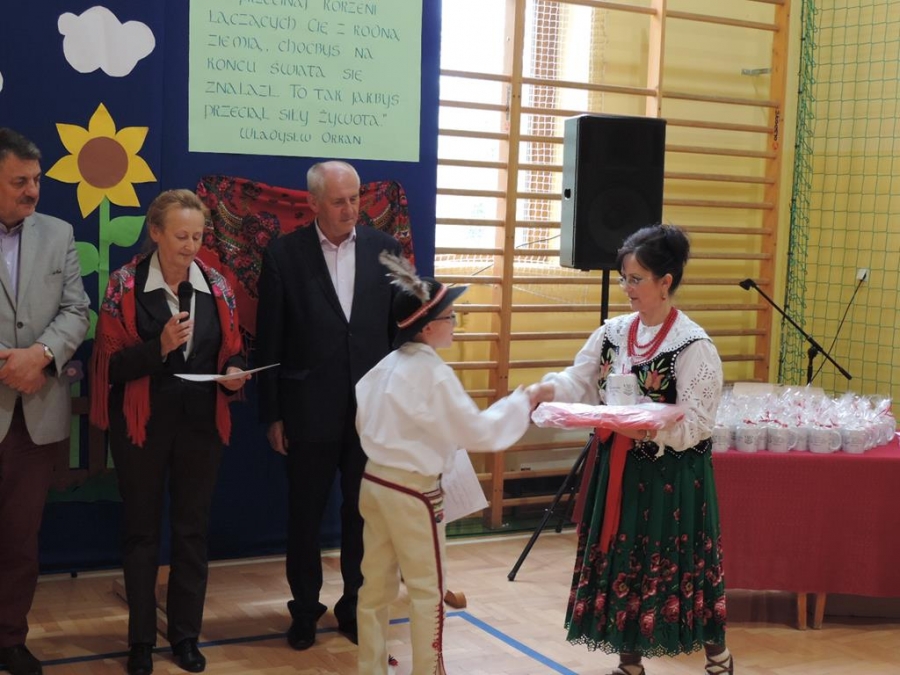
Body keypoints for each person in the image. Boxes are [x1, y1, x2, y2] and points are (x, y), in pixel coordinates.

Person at [537, 225, 732, 675]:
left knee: (678, 565)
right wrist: (545, 390)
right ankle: (629, 664)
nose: (627, 287)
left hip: (671, 477)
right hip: (619, 468)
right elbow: (578, 380)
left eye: (637, 279)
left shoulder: (693, 345)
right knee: (624, 560)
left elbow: (698, 425)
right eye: (625, 278)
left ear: (666, 282)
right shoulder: (613, 332)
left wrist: (645, 428)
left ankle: (718, 658)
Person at [355, 252, 551, 675]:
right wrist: (522, 401)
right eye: (451, 316)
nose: (456, 323)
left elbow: (364, 421)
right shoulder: (433, 374)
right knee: (427, 590)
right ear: (428, 326)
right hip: (413, 492)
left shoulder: (383, 368)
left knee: (375, 586)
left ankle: (370, 668)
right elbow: (478, 432)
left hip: (375, 483)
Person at [89, 189, 249, 675]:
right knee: (141, 533)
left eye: (197, 236)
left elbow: (232, 348)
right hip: (141, 427)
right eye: (181, 236)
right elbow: (111, 367)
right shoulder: (124, 284)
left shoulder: (216, 284)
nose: (190, 246)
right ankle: (140, 643)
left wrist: (235, 371)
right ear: (155, 233)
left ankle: (185, 637)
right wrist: (157, 347)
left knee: (192, 532)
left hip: (200, 427)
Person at [255, 160, 403, 650]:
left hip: (371, 411)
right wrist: (273, 413)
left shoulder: (386, 249)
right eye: (338, 201)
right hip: (306, 408)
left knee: (363, 515)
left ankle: (355, 606)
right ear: (313, 202)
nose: (349, 209)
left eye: (355, 199)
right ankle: (304, 610)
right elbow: (269, 340)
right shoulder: (284, 254)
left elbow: (400, 332)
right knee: (305, 517)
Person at [0, 128, 90, 675]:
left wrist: (41, 355)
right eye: (19, 182)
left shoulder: (59, 233)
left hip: (34, 416)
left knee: (20, 538)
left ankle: (10, 638)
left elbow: (76, 310)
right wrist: (8, 363)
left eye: (36, 180)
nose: (32, 191)